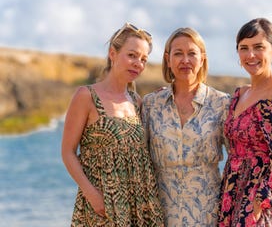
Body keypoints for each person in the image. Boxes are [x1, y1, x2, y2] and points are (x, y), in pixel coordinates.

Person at [61, 22, 163, 226]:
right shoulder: (86, 96)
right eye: (132, 55)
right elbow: (67, 152)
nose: (138, 64)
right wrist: (92, 195)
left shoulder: (137, 100)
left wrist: (164, 99)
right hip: (103, 202)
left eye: (143, 59)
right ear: (112, 53)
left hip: (141, 201)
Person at [218, 18, 272, 226]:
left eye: (258, 47)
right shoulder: (241, 93)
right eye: (244, 48)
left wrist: (259, 204)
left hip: (260, 203)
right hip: (232, 192)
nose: (250, 55)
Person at [141, 27, 231, 226]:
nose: (185, 60)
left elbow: (237, 158)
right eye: (178, 53)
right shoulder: (150, 104)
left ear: (202, 58)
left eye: (192, 53)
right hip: (159, 213)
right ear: (168, 58)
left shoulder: (222, 103)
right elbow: (140, 161)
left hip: (209, 213)